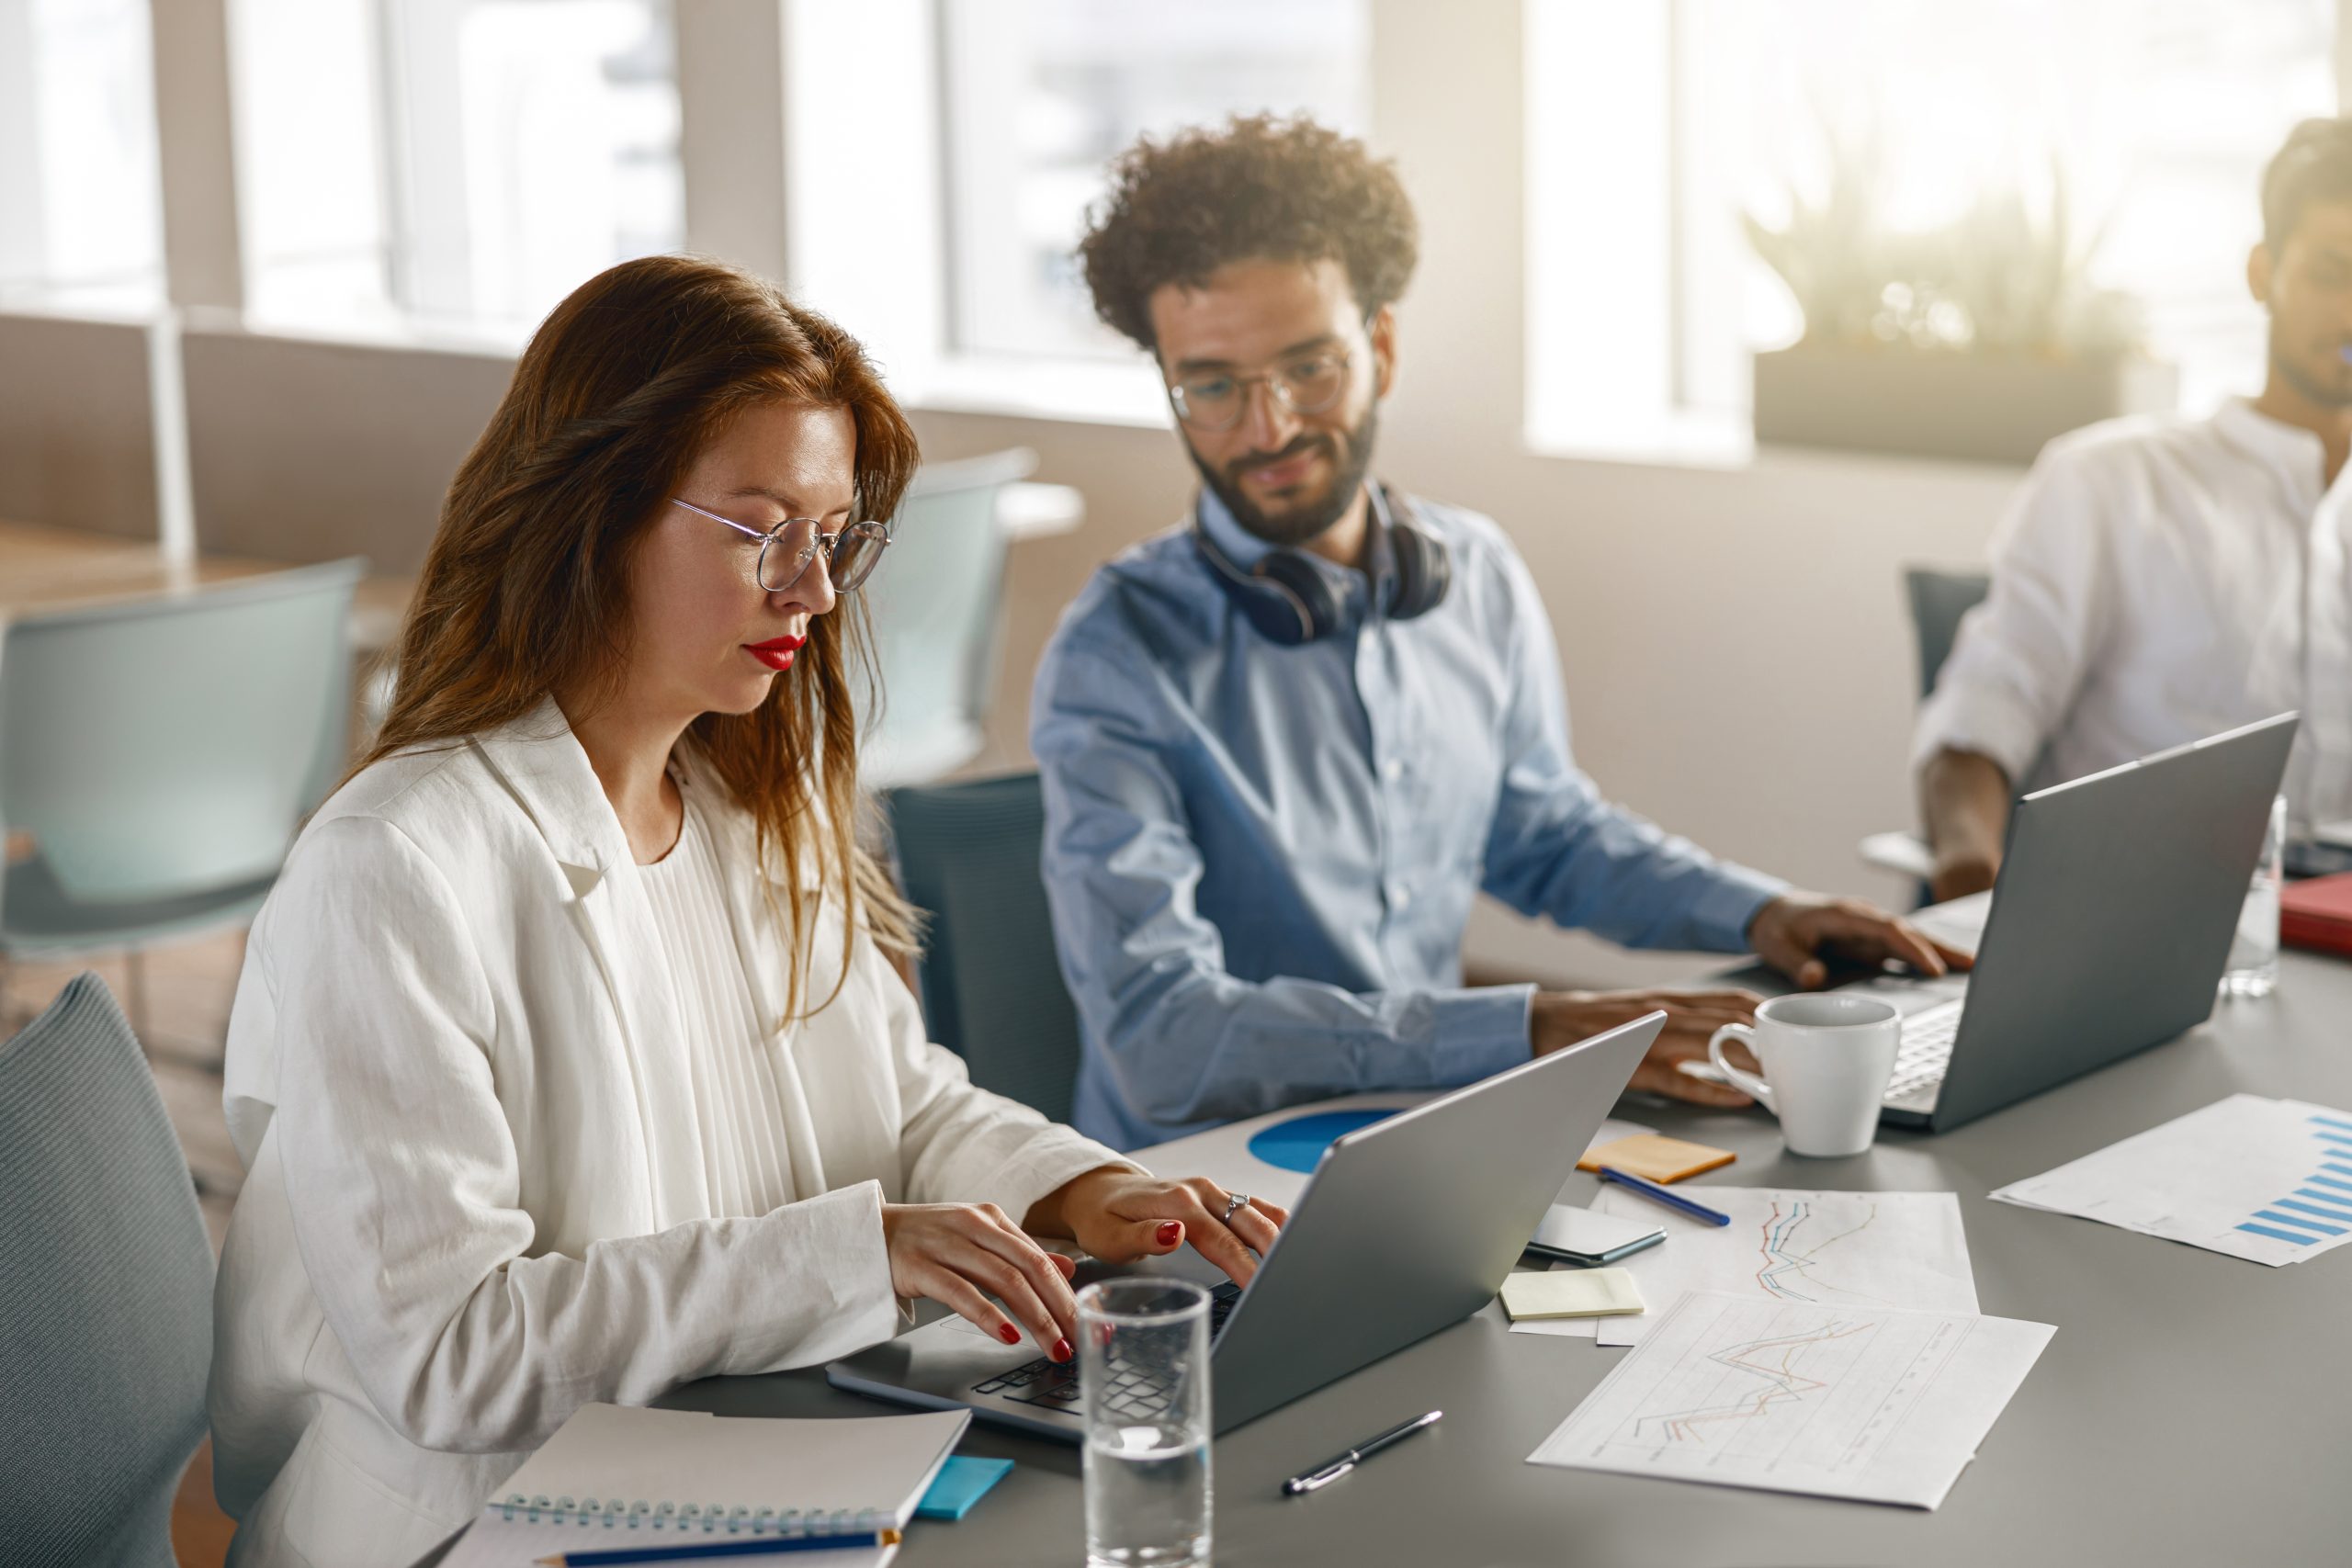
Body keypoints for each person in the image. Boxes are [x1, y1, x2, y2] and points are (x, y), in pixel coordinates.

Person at [207, 255, 1286, 1568]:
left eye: (831, 536)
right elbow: (449, 1355)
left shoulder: (744, 803)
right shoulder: (394, 865)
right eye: (761, 525)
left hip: (733, 1463)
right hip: (476, 1524)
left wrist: (1084, 1186)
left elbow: (900, 1104)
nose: (813, 590)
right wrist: (862, 1250)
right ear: (589, 513)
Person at [1031, 116, 1962, 1153]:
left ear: (1380, 345)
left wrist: (1759, 913)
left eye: (1309, 369)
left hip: (1428, 1142)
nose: (1269, 428)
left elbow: (1542, 835)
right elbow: (1162, 1038)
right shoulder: (1113, 655)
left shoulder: (1472, 575)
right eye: (1211, 386)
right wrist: (1532, 1030)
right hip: (1199, 1192)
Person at [1917, 116, 2352, 902]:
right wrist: (1970, 888)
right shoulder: (2113, 483)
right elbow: (1980, 723)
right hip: (2138, 925)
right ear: (2264, 274)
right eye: (2333, 271)